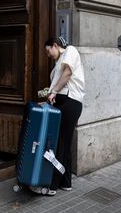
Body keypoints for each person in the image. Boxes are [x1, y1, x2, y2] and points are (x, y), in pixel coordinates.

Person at [31, 36, 85, 196]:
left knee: (59, 144)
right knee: (64, 144)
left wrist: (53, 92)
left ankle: (51, 186)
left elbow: (68, 73)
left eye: (48, 51)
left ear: (55, 45)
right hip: (63, 103)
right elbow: (53, 90)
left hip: (70, 102)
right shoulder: (56, 68)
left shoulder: (70, 50)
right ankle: (66, 183)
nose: (47, 54)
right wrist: (46, 101)